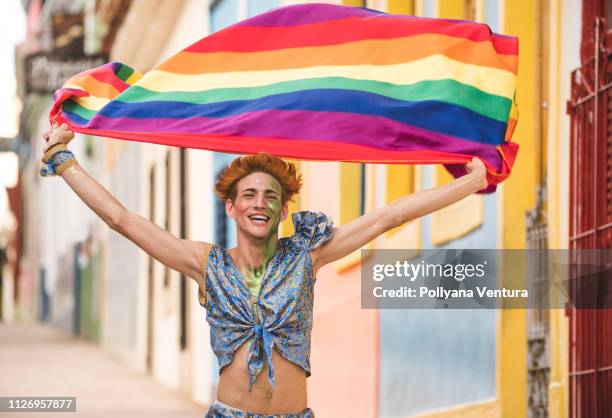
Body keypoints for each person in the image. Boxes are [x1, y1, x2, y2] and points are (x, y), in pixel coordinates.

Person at [42, 122, 488, 418]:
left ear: (282, 209)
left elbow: (387, 217)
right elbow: (122, 219)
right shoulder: (206, 265)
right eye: (249, 195)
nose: (260, 203)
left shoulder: (306, 257)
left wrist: (470, 182)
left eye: (270, 196)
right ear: (232, 208)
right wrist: (64, 160)